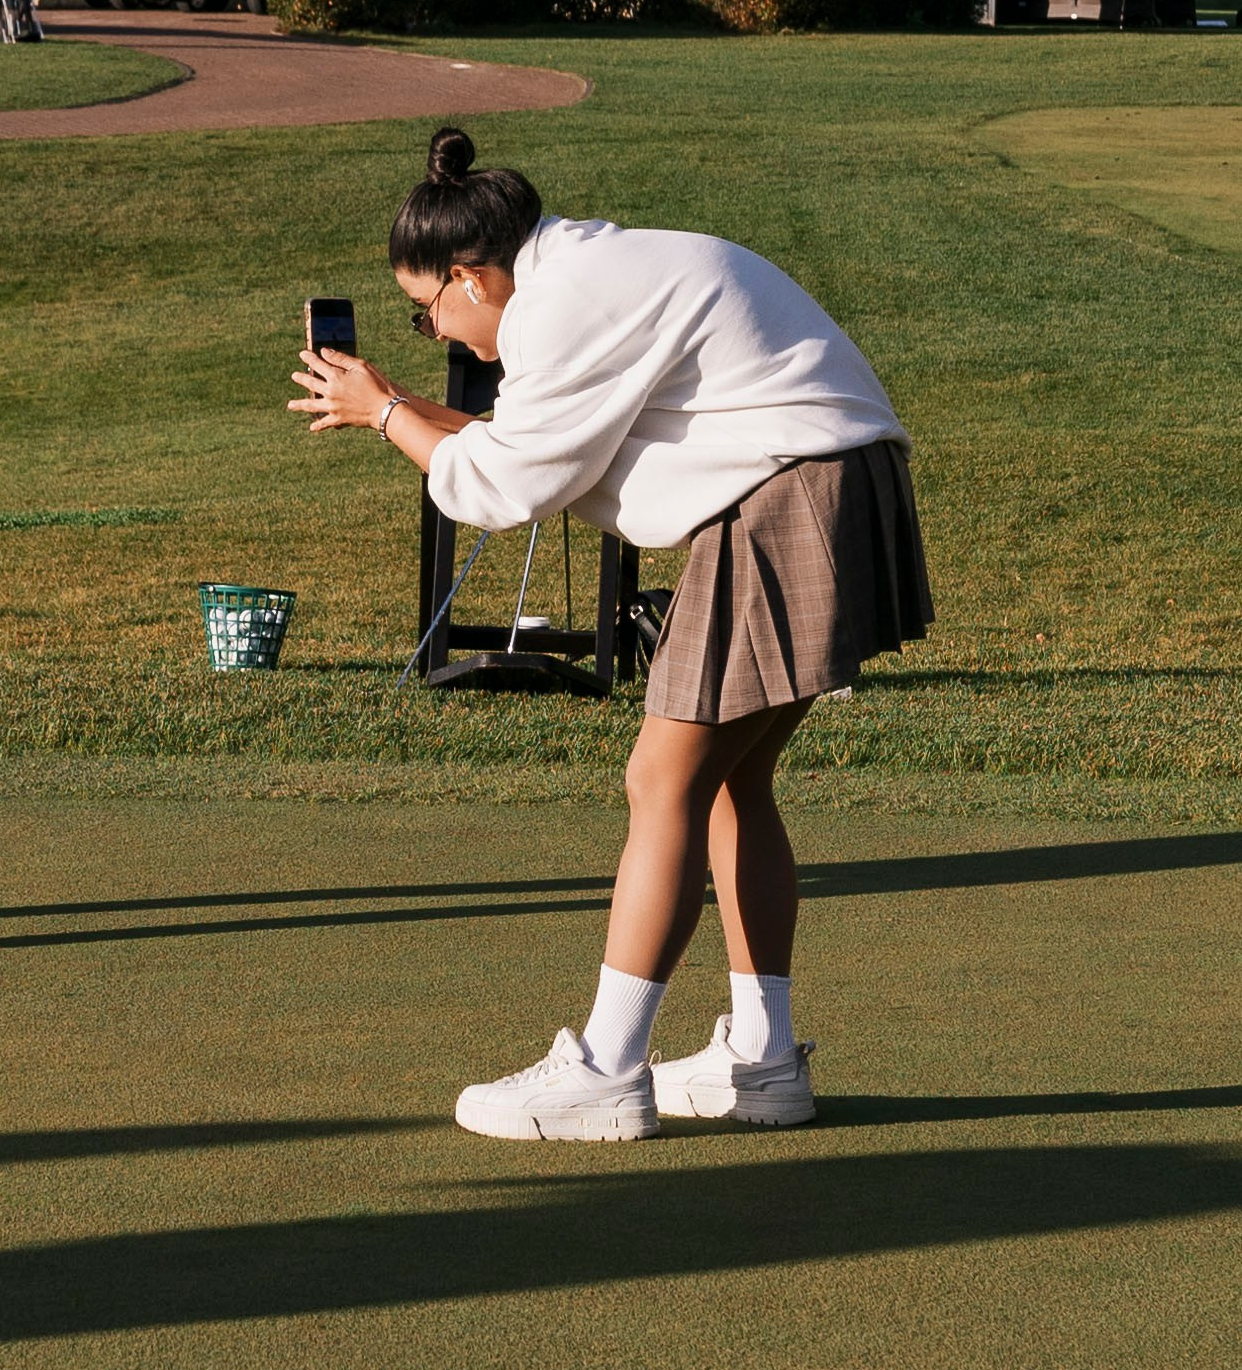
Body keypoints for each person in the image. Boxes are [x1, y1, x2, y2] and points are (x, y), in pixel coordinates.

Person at [292, 127, 930, 1142]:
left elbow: (506, 490)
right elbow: (536, 452)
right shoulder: (581, 274)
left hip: (790, 493)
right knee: (727, 781)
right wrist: (397, 407)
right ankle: (761, 1063)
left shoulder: (563, 302)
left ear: (469, 275)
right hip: (823, 482)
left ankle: (604, 1068)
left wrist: (384, 419)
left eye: (430, 315)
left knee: (659, 780)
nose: (441, 337)